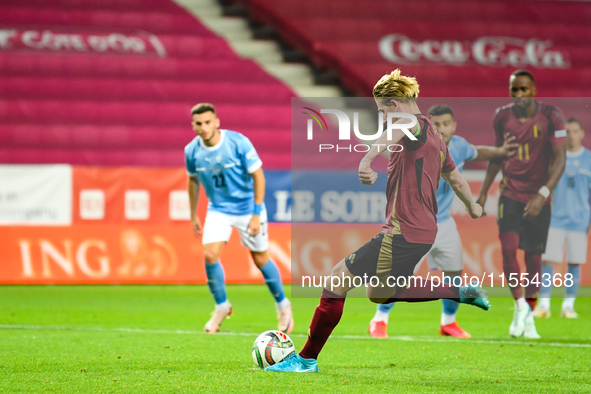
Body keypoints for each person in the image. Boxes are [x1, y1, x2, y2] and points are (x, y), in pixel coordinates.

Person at [266, 69, 489, 373]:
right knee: (379, 292)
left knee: (336, 280)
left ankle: (305, 360)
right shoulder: (436, 136)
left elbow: (392, 133)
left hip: (404, 228)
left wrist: (366, 159)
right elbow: (458, 180)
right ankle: (456, 291)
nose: (384, 117)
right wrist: (473, 207)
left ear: (396, 104)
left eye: (383, 110)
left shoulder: (409, 122)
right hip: (423, 230)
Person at [369, 104, 518, 339]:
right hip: (413, 223)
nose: (441, 129)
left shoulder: (459, 146)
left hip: (444, 223)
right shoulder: (417, 143)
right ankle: (379, 319)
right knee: (400, 277)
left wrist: (502, 151)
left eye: (446, 124)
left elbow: (478, 152)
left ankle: (448, 322)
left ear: (454, 125)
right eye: (436, 124)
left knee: (454, 272)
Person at [185, 103, 293, 334]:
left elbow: (259, 177)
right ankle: (221, 306)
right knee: (210, 254)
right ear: (193, 125)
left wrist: (255, 213)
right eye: (198, 123)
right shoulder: (191, 151)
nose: (203, 127)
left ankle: (283, 305)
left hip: (247, 208)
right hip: (218, 209)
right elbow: (193, 180)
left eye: (207, 122)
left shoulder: (238, 142)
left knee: (260, 259)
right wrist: (193, 213)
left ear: (216, 122)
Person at [477, 70, 567, 339]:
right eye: (514, 90)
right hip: (510, 193)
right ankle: (519, 307)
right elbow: (497, 154)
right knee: (507, 250)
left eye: (523, 90)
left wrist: (542, 194)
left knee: (533, 257)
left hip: (539, 197)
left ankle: (529, 312)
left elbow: (560, 159)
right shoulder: (502, 116)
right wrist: (482, 192)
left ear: (534, 90)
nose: (518, 95)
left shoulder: (552, 116)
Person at [535, 118, 590, 319]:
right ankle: (544, 305)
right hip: (555, 220)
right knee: (548, 261)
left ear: (582, 133)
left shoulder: (589, 160)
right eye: (567, 131)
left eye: (575, 131)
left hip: (580, 221)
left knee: (574, 263)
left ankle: (568, 306)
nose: (571, 135)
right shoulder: (554, 159)